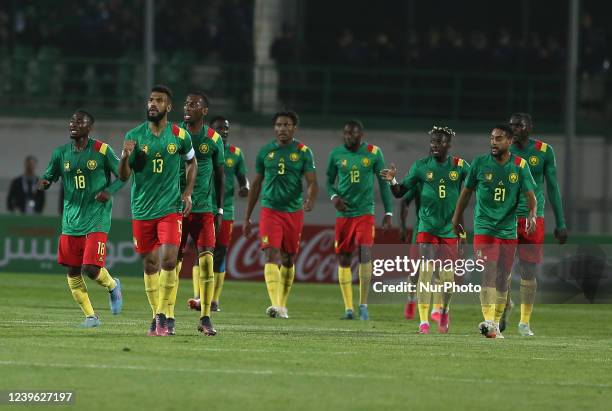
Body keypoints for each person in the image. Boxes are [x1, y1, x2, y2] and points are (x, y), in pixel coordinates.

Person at [118, 85, 197, 337]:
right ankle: (156, 316)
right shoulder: (134, 135)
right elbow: (124, 175)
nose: (153, 104)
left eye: (159, 101)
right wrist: (124, 157)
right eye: (151, 100)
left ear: (168, 106)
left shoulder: (179, 135)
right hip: (142, 210)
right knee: (150, 265)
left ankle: (164, 315)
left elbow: (192, 162)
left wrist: (187, 193)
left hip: (170, 208)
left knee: (170, 261)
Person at [38, 110, 124, 327]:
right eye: (71, 121)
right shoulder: (61, 153)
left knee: (91, 268)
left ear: (89, 128)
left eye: (79, 122)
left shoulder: (101, 150)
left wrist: (110, 190)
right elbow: (50, 174)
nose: (73, 124)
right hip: (71, 221)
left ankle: (113, 286)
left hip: (97, 218)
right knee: (73, 271)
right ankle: (91, 316)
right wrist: (45, 182)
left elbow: (124, 174)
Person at [452, 124, 537, 339]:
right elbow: (466, 192)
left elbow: (531, 196)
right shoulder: (480, 163)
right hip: (484, 226)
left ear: (509, 142)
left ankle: (496, 324)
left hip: (508, 229)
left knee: (503, 277)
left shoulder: (519, 165)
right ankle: (489, 321)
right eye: (491, 138)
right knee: (488, 271)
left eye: (498, 139)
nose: (493, 142)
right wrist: (456, 217)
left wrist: (532, 214)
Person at [381, 126, 469, 333]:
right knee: (425, 272)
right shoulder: (421, 166)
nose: (435, 145)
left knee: (447, 280)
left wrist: (463, 232)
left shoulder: (460, 165)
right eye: (432, 141)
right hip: (426, 227)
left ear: (449, 144)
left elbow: (473, 190)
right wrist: (393, 180)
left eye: (439, 141)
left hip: (449, 230)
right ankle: (423, 322)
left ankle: (444, 311)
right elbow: (400, 193)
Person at [243, 110, 318, 319]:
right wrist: (248, 217)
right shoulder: (266, 151)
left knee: (288, 258)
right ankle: (275, 305)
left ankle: (282, 305)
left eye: (286, 125)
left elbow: (312, 182)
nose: (282, 129)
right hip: (270, 210)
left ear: (294, 128)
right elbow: (256, 184)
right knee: (270, 253)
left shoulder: (304, 151)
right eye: (278, 125)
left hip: (293, 212)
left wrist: (310, 199)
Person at [504, 112, 568, 336]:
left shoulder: (544, 151)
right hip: (507, 218)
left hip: (533, 218)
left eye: (519, 125)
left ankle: (524, 322)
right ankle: (505, 304)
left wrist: (560, 222)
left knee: (528, 270)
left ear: (530, 127)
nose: (514, 129)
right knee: (501, 270)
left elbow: (553, 187)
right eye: (511, 126)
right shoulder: (505, 150)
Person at [326, 120, 392, 320]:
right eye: (345, 133)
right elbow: (329, 181)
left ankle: (363, 305)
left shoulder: (373, 152)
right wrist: (334, 197)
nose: (348, 136)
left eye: (352, 133)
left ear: (361, 134)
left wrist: (389, 212)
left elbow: (383, 183)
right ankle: (348, 309)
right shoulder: (336, 154)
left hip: (365, 213)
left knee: (365, 254)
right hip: (344, 214)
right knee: (344, 258)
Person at [175, 91, 225, 337]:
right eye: (186, 103)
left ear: (204, 111)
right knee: (172, 263)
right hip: (177, 208)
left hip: (204, 209)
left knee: (207, 262)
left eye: (193, 104)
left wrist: (220, 208)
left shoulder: (214, 138)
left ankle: (205, 316)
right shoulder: (175, 135)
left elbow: (220, 174)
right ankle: (166, 315)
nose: (187, 107)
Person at [209, 115, 249, 312]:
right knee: (204, 251)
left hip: (227, 210)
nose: (223, 132)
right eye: (219, 128)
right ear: (211, 129)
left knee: (221, 252)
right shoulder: (204, 149)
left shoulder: (235, 153)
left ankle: (214, 299)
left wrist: (245, 188)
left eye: (226, 128)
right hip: (205, 208)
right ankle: (201, 295)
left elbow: (244, 179)